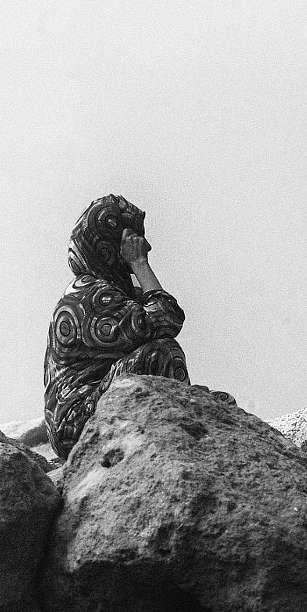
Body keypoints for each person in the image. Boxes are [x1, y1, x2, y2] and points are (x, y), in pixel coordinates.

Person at [44, 195, 193, 458]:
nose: (145, 246)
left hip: (95, 407)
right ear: (110, 246)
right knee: (162, 353)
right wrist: (140, 264)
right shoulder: (90, 296)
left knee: (217, 403)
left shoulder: (116, 293)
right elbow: (167, 319)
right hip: (78, 424)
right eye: (133, 241)